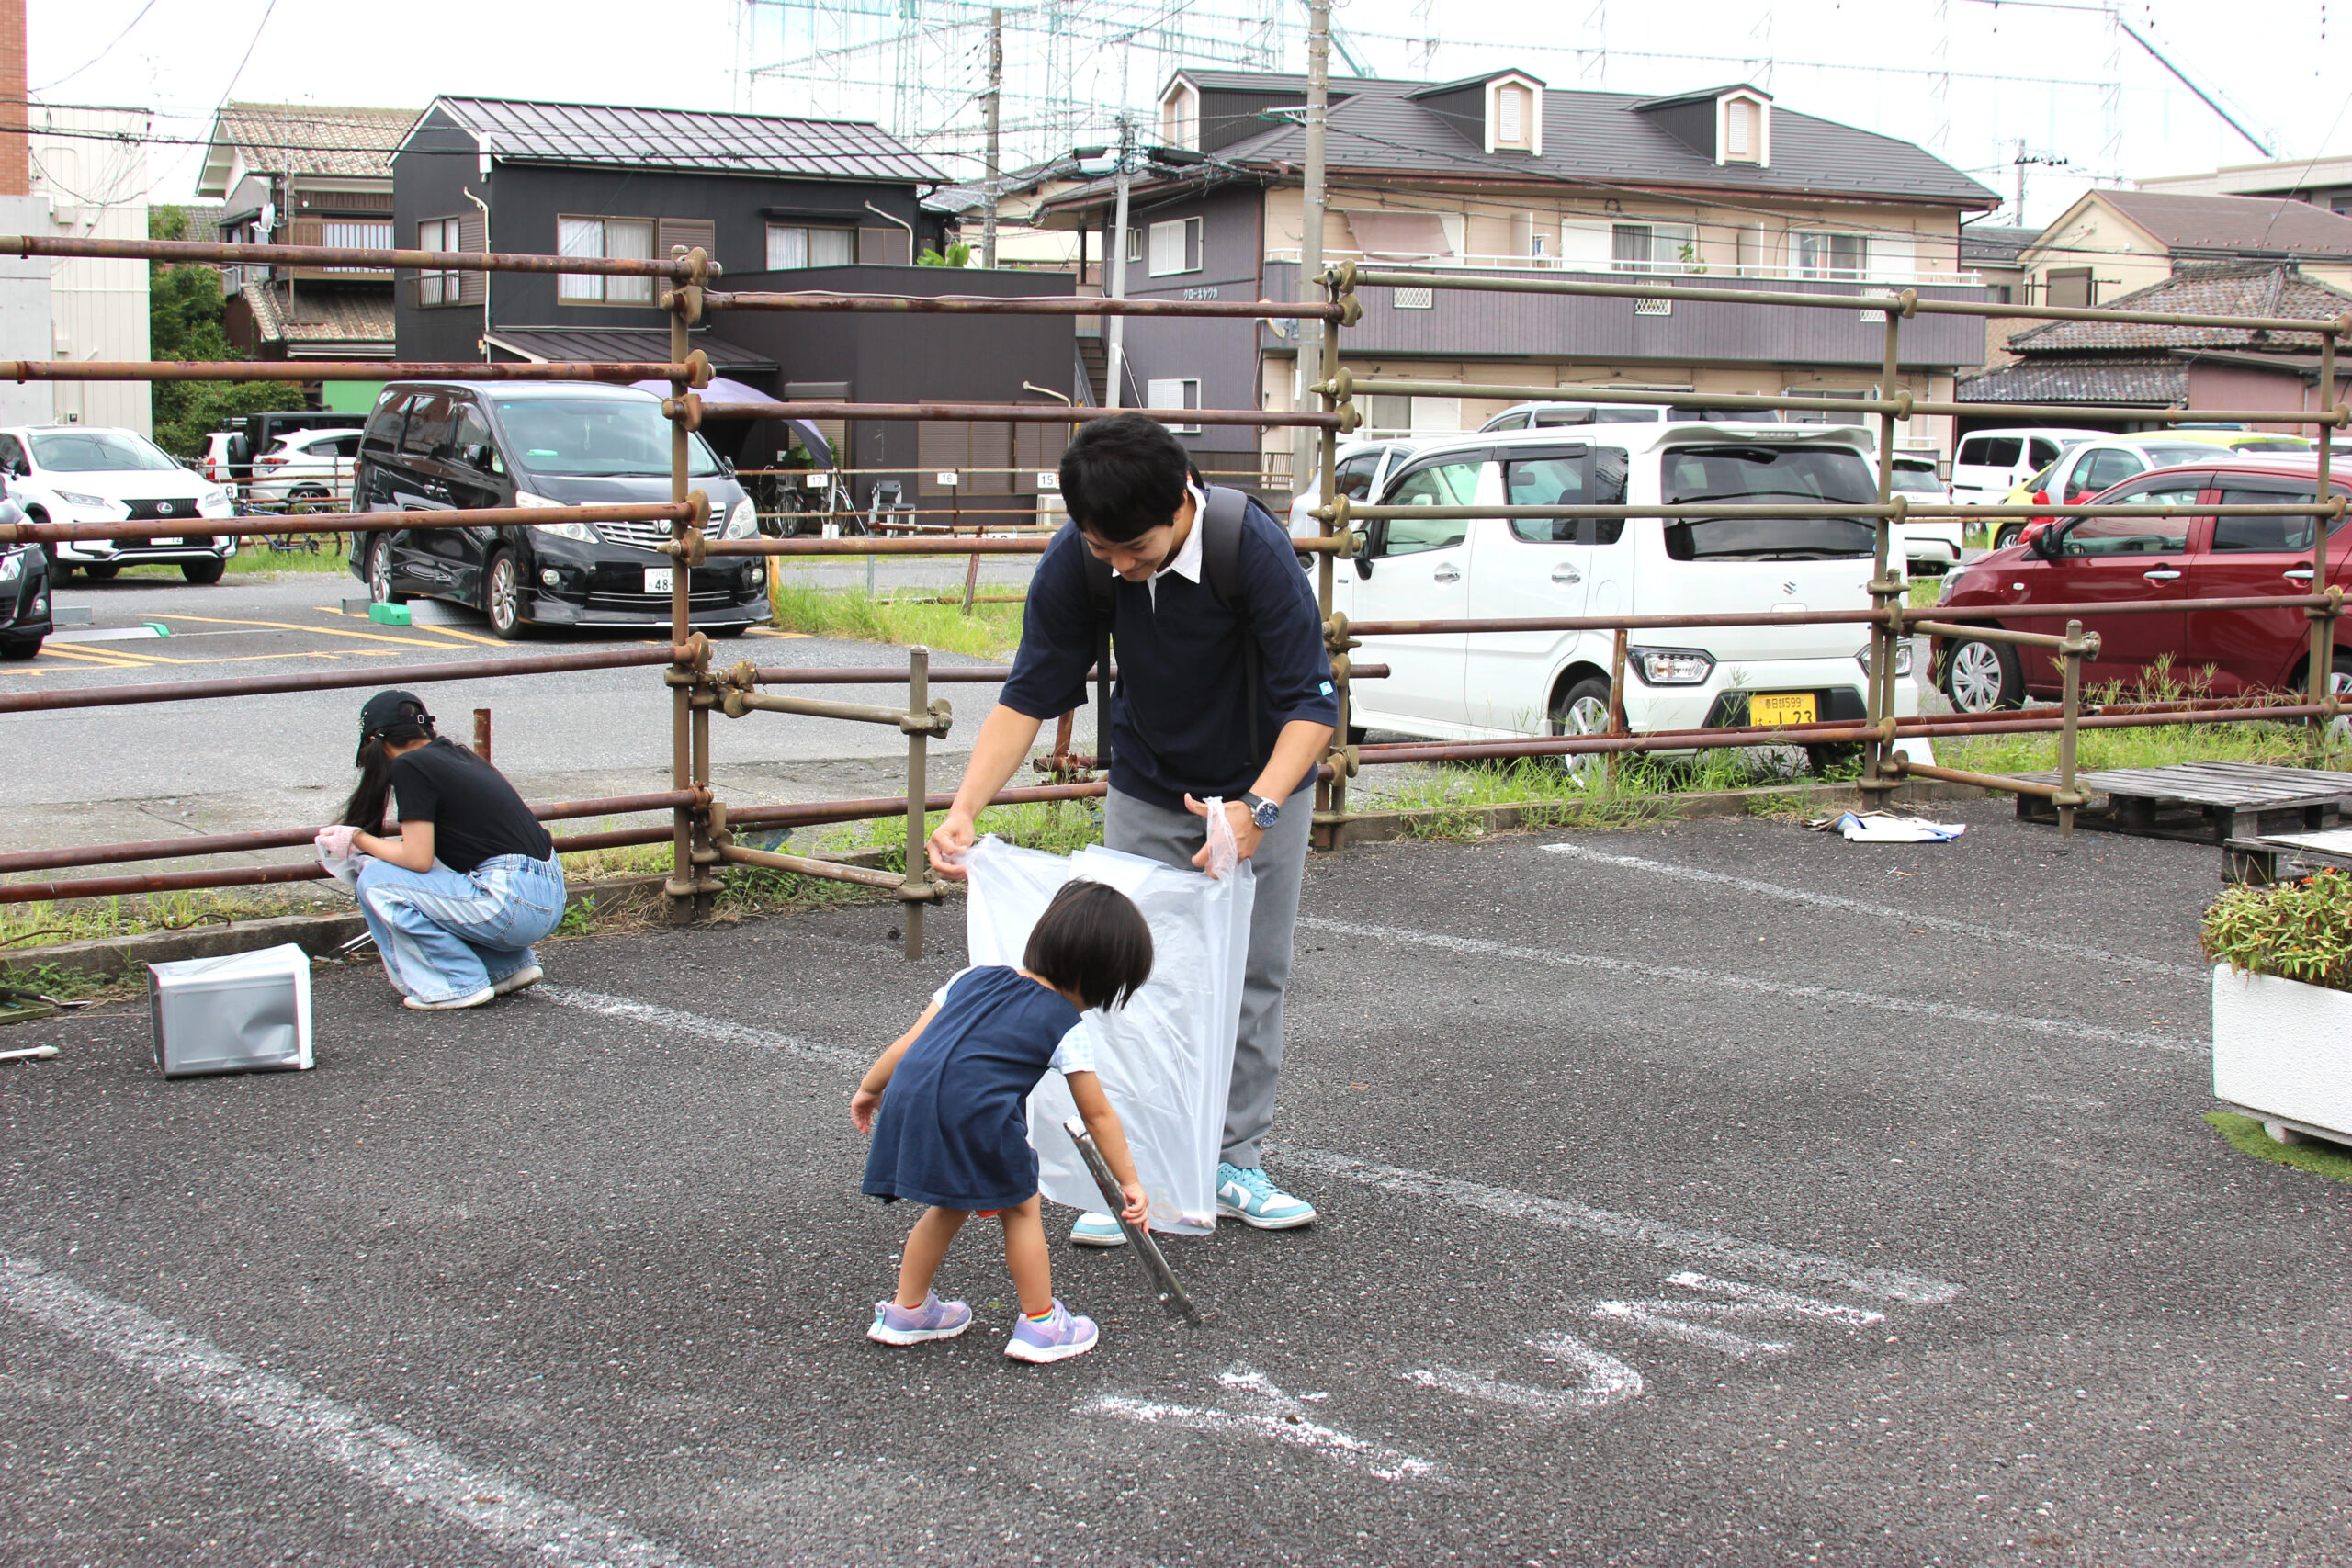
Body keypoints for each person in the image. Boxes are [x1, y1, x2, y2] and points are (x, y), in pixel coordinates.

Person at [926, 412, 1338, 1247]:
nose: (1118, 565)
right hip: (1151, 782)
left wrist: (1255, 808)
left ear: (1181, 503)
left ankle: (1232, 1160)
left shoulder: (1248, 547)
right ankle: (1136, 1174)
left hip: (1266, 782)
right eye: (1101, 548)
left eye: (1135, 550)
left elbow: (1312, 704)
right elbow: (1032, 690)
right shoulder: (1086, 555)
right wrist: (966, 806)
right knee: (1123, 976)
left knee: (1251, 973)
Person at [854, 880, 1155, 1364]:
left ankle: (906, 1311)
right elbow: (1096, 1114)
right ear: (1102, 979)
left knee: (948, 1204)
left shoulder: (971, 977)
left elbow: (909, 1042)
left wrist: (871, 1088)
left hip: (911, 1098)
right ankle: (1041, 1326)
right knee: (1020, 1209)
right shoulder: (1065, 1024)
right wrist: (1130, 1182)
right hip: (976, 1114)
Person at [319, 690, 566, 1012]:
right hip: (548, 896)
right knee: (425, 876)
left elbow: (417, 860)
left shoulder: (410, 766)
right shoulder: (456, 754)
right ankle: (506, 966)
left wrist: (356, 840)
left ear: (375, 742)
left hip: (511, 902)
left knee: (375, 880)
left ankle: (456, 982)